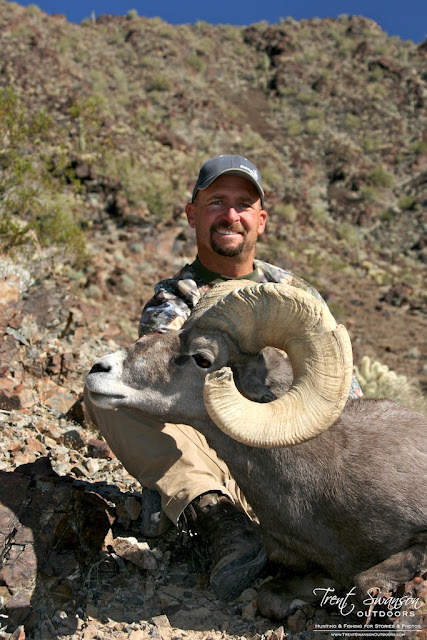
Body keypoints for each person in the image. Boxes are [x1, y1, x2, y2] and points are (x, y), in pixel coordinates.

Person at [85, 155, 362, 601]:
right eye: (216, 201)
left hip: (294, 474)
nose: (230, 215)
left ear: (261, 220)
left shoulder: (296, 296)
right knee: (109, 394)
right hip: (220, 462)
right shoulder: (176, 299)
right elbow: (162, 374)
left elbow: (341, 393)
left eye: (243, 204)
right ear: (193, 214)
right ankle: (217, 518)